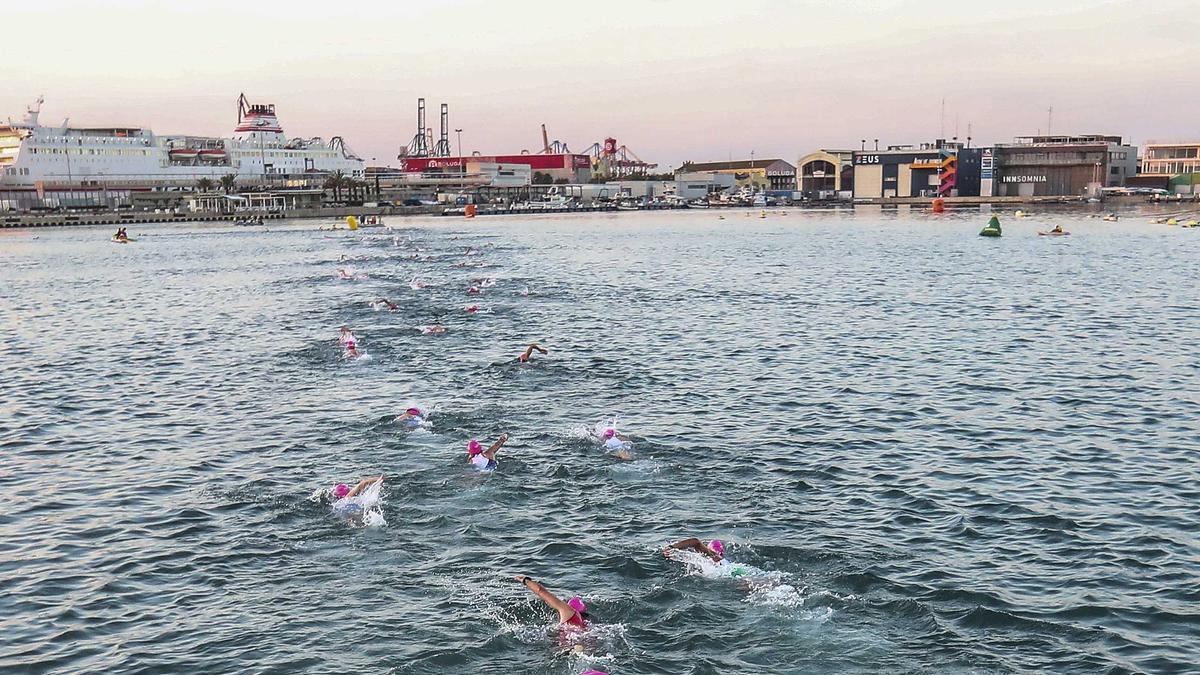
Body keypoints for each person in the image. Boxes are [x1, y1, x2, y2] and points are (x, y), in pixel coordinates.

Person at [513, 575, 590, 639]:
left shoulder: (568, 611)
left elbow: (540, 591)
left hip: (568, 646)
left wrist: (525, 580)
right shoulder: (583, 624)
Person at [663, 537, 747, 577]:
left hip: (733, 572)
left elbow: (695, 542)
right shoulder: (723, 560)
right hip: (738, 569)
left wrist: (671, 547)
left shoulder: (713, 556)